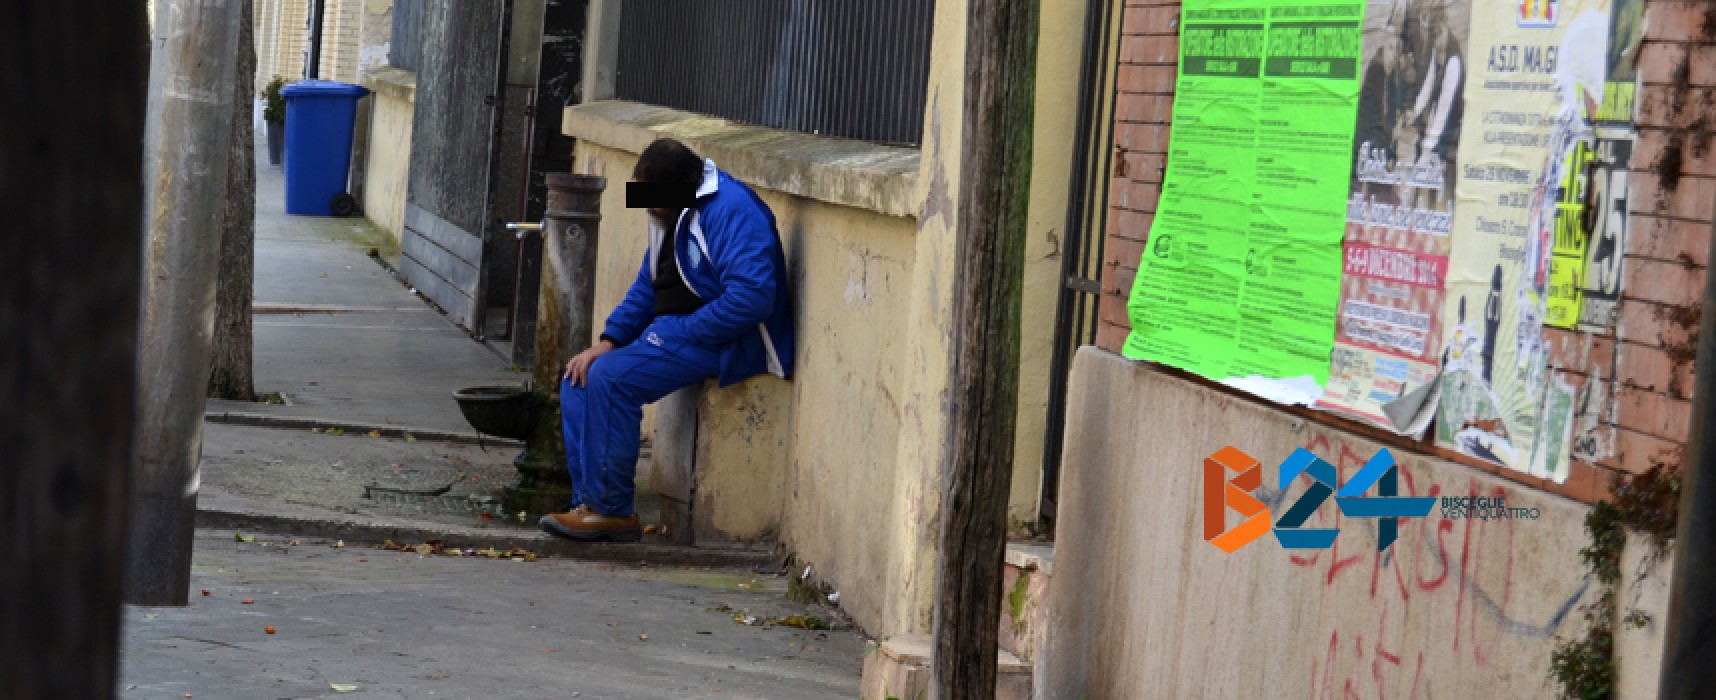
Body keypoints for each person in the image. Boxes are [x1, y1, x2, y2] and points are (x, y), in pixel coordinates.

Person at [539, 138, 795, 542]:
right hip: (683, 329)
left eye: (655, 202)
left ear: (678, 188)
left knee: (612, 380)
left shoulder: (731, 210)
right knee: (581, 375)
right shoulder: (669, 210)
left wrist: (683, 329)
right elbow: (648, 285)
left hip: (732, 341)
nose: (650, 210)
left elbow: (752, 298)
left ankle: (612, 511)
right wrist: (608, 339)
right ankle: (589, 503)